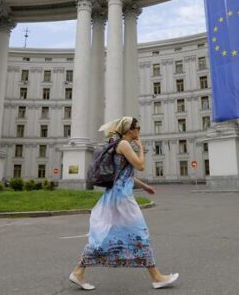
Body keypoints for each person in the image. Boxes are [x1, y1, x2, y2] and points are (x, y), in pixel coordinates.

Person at [69, 116, 179, 290]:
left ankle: (78, 272)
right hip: (122, 199)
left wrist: (145, 187)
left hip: (117, 197)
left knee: (106, 236)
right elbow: (140, 166)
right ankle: (157, 277)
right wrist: (140, 148)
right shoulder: (124, 145)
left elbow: (126, 175)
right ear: (129, 130)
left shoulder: (120, 145)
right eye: (137, 128)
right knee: (140, 234)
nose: (139, 131)